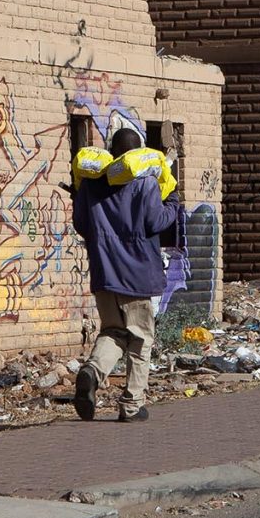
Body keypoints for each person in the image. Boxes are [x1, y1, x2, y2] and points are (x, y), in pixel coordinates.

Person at [69, 123, 183, 422]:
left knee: (113, 332)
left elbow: (82, 225)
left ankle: (92, 373)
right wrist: (172, 200)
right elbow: (156, 222)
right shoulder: (146, 184)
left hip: (104, 274)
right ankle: (132, 405)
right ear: (138, 154)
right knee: (140, 339)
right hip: (138, 274)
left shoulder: (91, 186)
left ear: (113, 153)